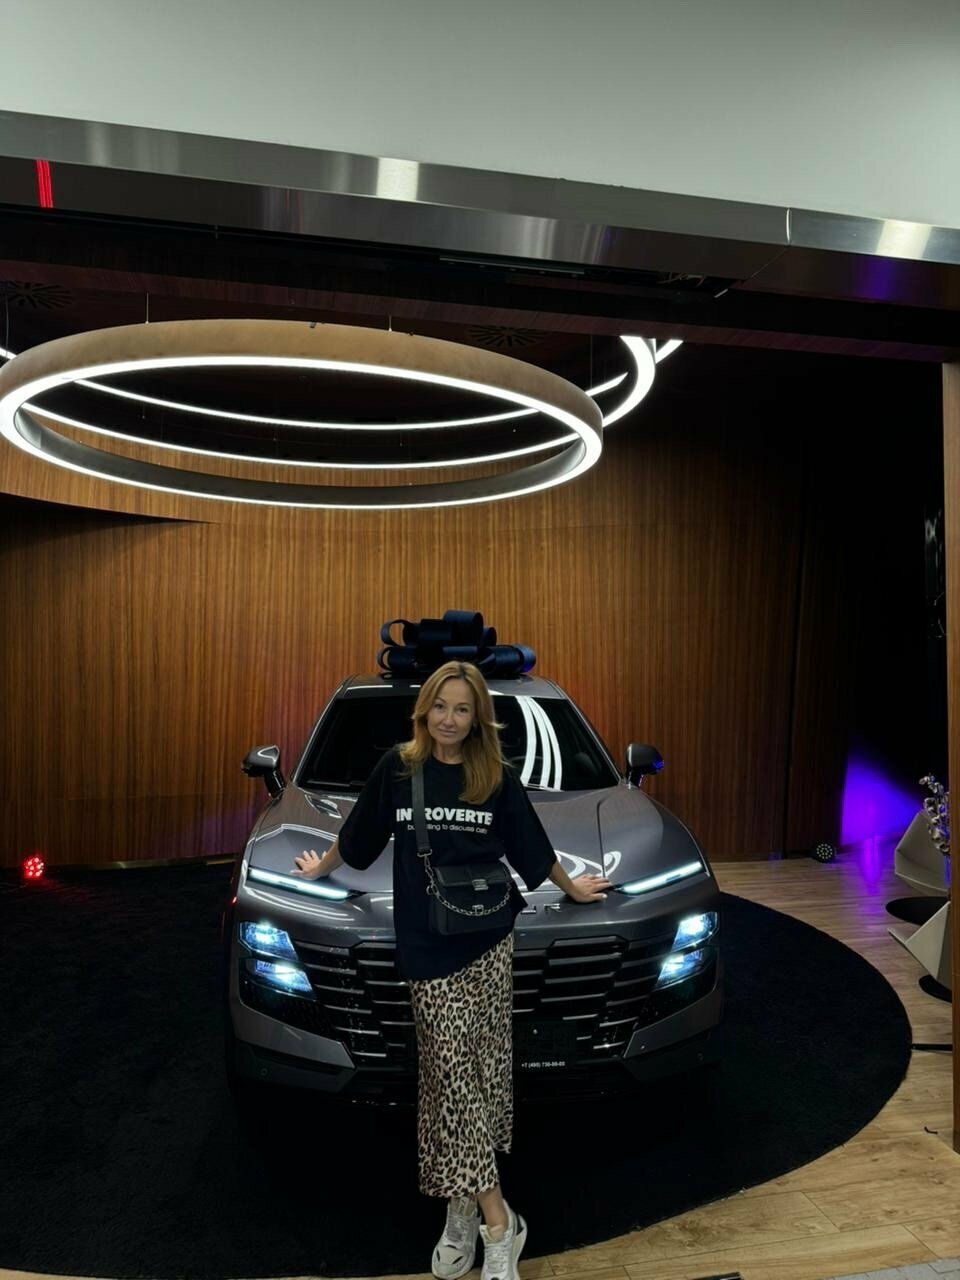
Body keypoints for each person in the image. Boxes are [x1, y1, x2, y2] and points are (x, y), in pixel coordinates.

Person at [292, 660, 610, 1280]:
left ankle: (459, 1207)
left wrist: (573, 887)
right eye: (441, 706)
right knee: (452, 1075)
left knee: (472, 1079)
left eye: (462, 709)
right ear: (424, 710)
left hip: (488, 942)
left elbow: (532, 847)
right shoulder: (399, 768)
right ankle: (501, 1222)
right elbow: (358, 837)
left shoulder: (495, 775)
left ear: (477, 718)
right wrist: (320, 866)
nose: (449, 719)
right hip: (426, 946)